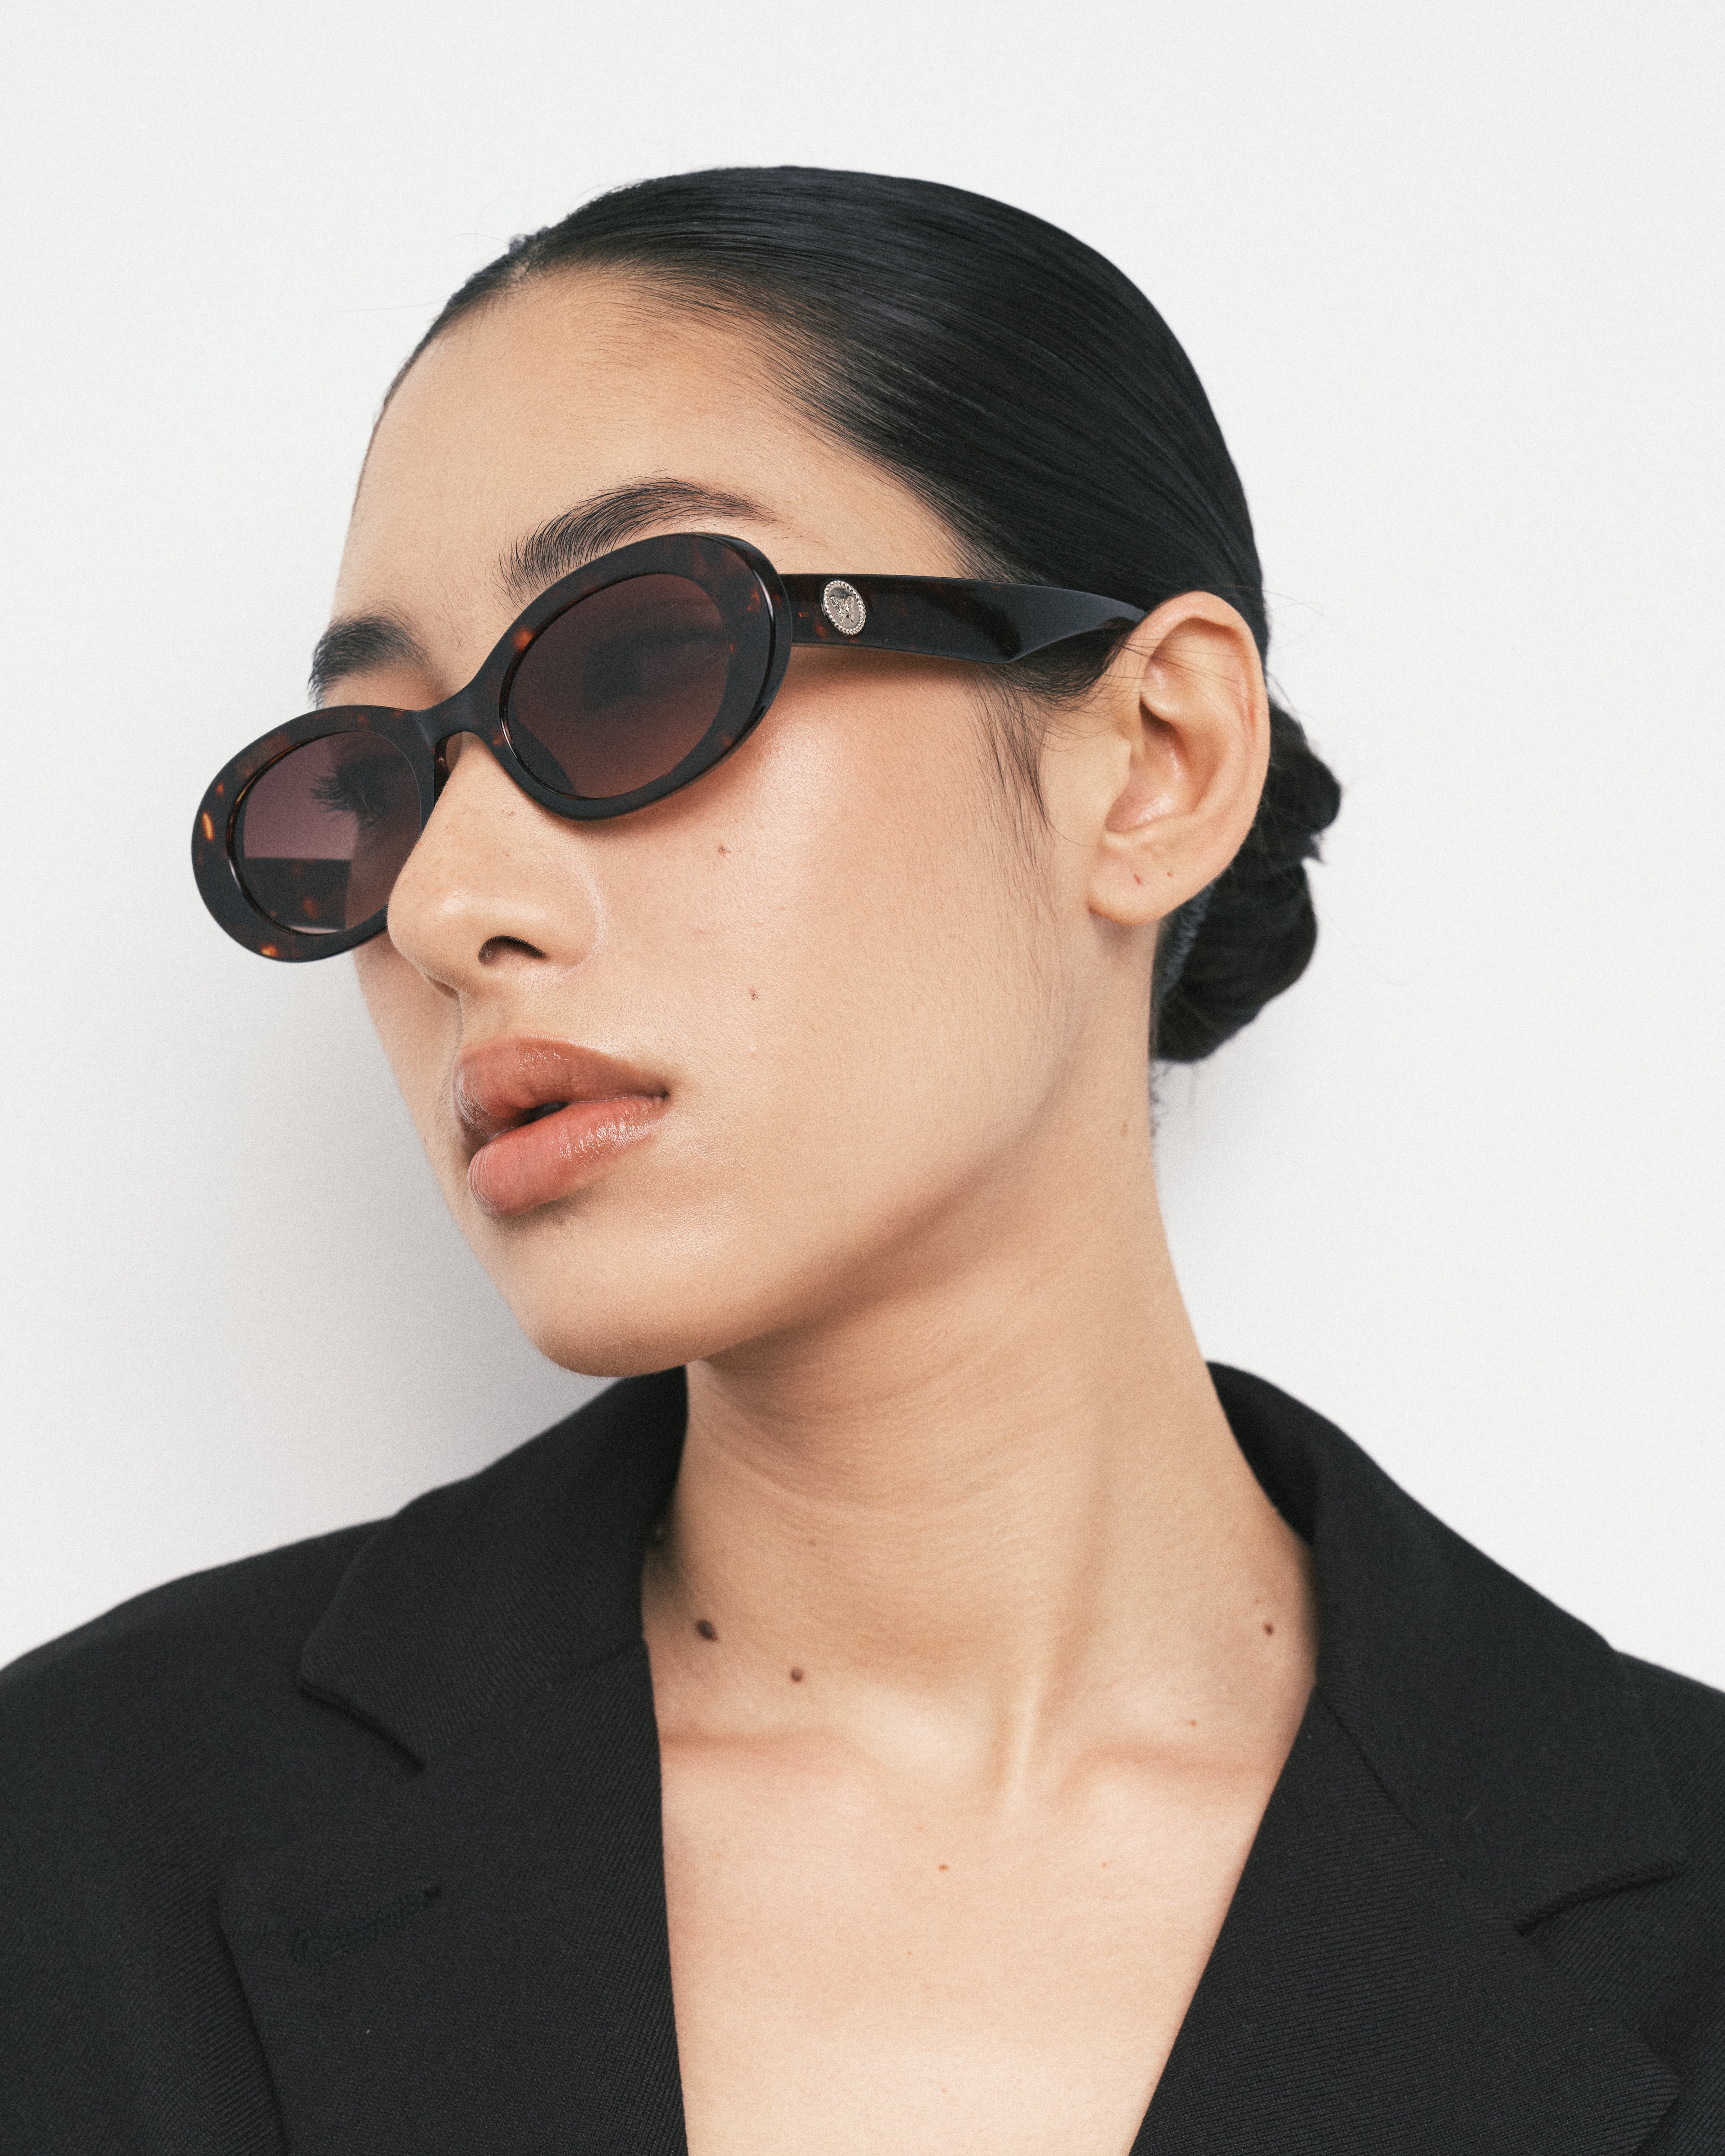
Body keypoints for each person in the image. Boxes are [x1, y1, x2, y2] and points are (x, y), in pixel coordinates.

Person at [3, 167, 1720, 2156]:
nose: (448, 904)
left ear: (1152, 759)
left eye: (633, 665)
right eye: (366, 787)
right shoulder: (72, 1851)